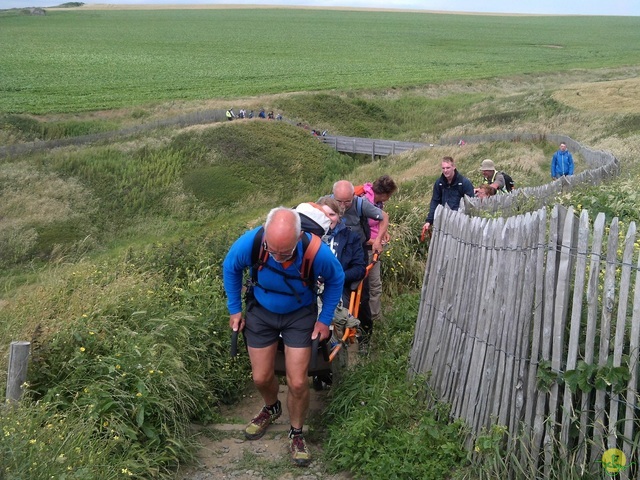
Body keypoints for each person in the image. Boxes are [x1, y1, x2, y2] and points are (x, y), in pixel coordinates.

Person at [222, 207, 344, 467]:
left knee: (298, 382)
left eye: (285, 252)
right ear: (266, 234)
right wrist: (235, 310)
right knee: (261, 376)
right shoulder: (253, 242)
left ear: (299, 237)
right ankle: (271, 407)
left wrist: (324, 320)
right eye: (273, 251)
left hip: (299, 314)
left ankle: (297, 432)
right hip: (262, 310)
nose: (277, 258)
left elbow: (337, 279)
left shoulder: (315, 251)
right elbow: (230, 267)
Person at [325, 180, 389, 344]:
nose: (343, 205)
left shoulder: (361, 205)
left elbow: (384, 217)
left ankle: (365, 335)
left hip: (356, 251)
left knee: (361, 294)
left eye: (347, 201)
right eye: (339, 201)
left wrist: (377, 240)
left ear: (353, 195)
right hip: (332, 250)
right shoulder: (325, 203)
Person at [359, 175, 398, 324]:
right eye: (389, 195)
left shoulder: (378, 202)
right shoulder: (363, 202)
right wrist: (375, 241)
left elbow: (379, 221)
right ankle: (362, 319)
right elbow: (356, 232)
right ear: (384, 194)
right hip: (363, 250)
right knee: (363, 288)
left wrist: (384, 233)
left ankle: (376, 317)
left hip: (374, 249)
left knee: (375, 285)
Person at [423, 156, 474, 235]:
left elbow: (471, 204)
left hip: (460, 223)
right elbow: (435, 202)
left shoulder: (464, 183)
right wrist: (429, 221)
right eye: (443, 168)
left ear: (454, 167)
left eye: (448, 168)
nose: (445, 171)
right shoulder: (439, 183)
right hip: (444, 221)